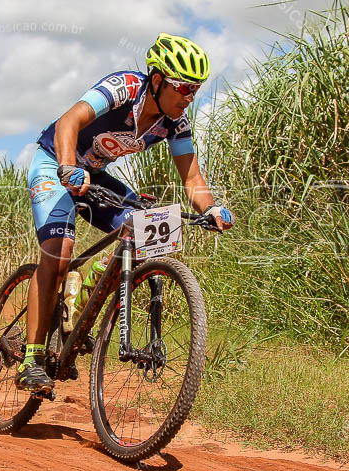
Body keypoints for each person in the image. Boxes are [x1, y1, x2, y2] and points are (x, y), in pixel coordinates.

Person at [17, 33, 235, 390]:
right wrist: (68, 167)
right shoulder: (124, 88)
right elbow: (68, 122)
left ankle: (78, 306)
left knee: (146, 232)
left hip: (96, 175)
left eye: (195, 90)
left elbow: (192, 175)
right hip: (55, 163)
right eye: (183, 88)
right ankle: (32, 359)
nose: (189, 98)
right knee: (59, 254)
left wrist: (211, 207)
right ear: (158, 80)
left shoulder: (175, 123)